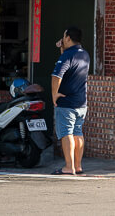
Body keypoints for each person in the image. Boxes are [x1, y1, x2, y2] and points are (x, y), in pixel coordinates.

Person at [51, 26, 90, 176]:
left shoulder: (67, 56)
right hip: (81, 102)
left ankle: (68, 167)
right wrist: (63, 50)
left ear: (67, 38)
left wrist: (54, 94)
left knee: (67, 133)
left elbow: (57, 76)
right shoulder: (84, 54)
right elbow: (70, 67)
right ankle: (78, 166)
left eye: (64, 37)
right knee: (77, 132)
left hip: (66, 102)